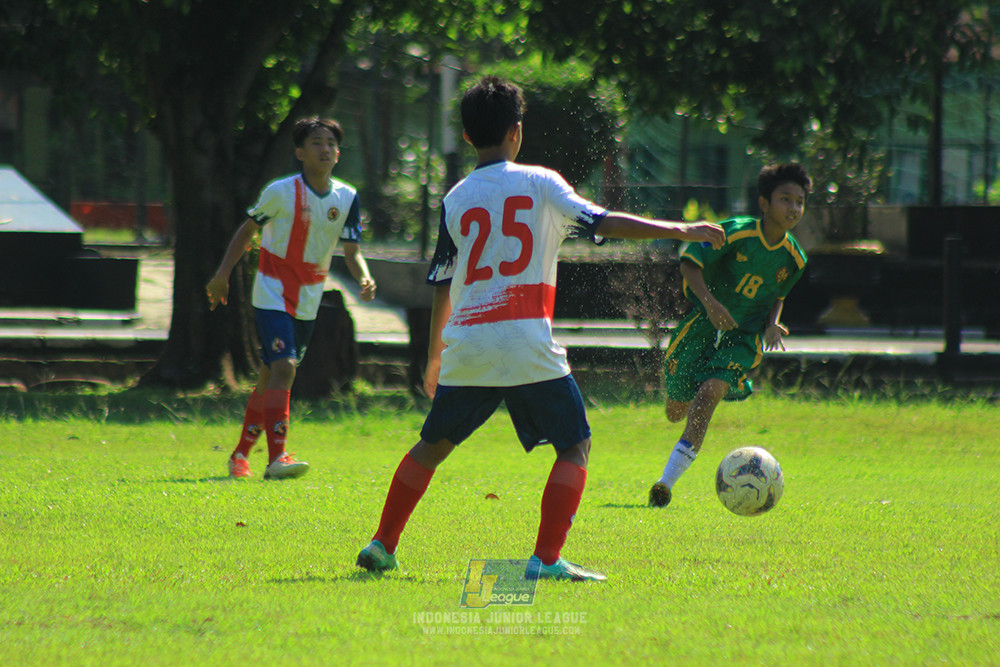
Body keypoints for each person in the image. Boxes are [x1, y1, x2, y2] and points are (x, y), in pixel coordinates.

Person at [355, 75, 725, 580]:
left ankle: (381, 543)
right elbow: (602, 221)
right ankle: (546, 559)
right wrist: (680, 229)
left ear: (467, 136)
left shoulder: (455, 199)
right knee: (575, 445)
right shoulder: (541, 182)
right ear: (517, 131)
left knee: (432, 447)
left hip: (468, 343)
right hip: (526, 341)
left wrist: (435, 357)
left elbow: (442, 282)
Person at [206, 117, 377, 480]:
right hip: (271, 293)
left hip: (308, 301)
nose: (325, 149)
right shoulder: (280, 191)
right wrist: (222, 275)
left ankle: (240, 455)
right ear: (300, 152)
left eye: (331, 143)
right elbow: (247, 230)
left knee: (270, 376)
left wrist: (364, 275)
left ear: (338, 153)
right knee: (285, 367)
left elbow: (352, 251)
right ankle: (277, 458)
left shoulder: (347, 197)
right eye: (316, 142)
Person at [648, 163, 812, 507]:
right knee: (676, 410)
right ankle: (683, 402)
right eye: (785, 199)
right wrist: (711, 305)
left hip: (744, 336)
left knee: (708, 396)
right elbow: (689, 263)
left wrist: (772, 324)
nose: (794, 208)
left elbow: (778, 296)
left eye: (799, 201)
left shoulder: (795, 259)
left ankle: (665, 483)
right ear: (764, 203)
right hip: (703, 324)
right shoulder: (735, 233)